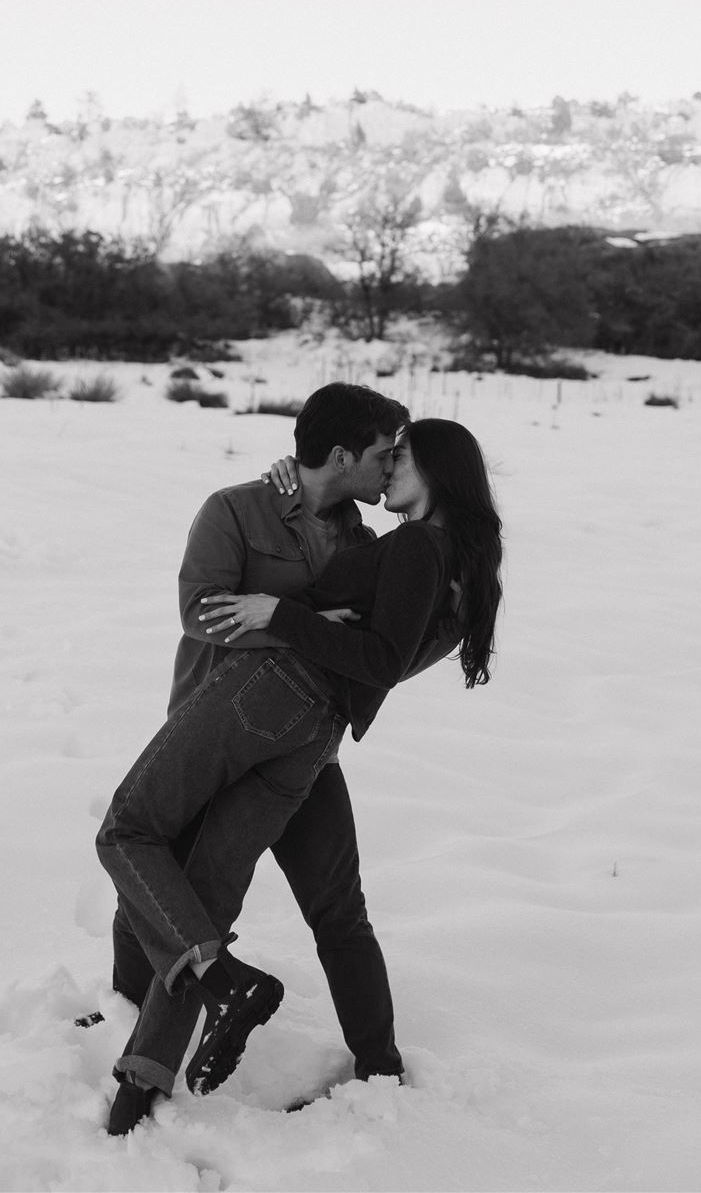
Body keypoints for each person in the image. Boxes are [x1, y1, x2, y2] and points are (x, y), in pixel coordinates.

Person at [95, 414, 503, 1135]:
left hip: (269, 694)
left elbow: (376, 656)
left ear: (436, 473)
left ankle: (223, 988)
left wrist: (284, 614)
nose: (389, 471)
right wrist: (297, 476)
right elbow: (375, 643)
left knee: (128, 831)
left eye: (400, 459)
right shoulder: (448, 565)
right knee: (212, 891)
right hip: (315, 731)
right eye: (384, 456)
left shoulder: (415, 546)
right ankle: (143, 1081)